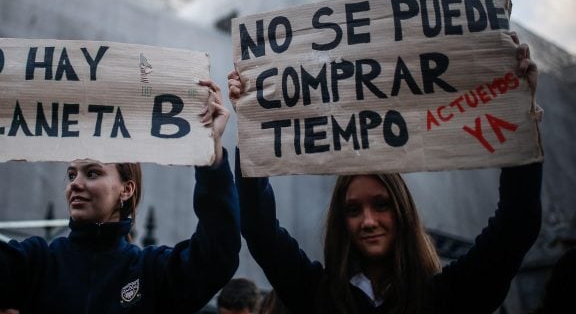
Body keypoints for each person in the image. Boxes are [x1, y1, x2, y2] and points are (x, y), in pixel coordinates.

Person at [228, 34, 543, 314]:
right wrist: (252, 128)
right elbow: (259, 228)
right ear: (340, 220)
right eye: (353, 209)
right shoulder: (318, 295)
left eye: (381, 205)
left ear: (403, 211)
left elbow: (516, 225)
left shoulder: (446, 296)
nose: (368, 221)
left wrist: (519, 114)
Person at [0, 77, 240, 313]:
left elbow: (216, 257)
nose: (75, 183)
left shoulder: (151, 272)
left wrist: (212, 162)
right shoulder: (38, 263)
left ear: (127, 188)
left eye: (92, 173)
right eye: (71, 174)